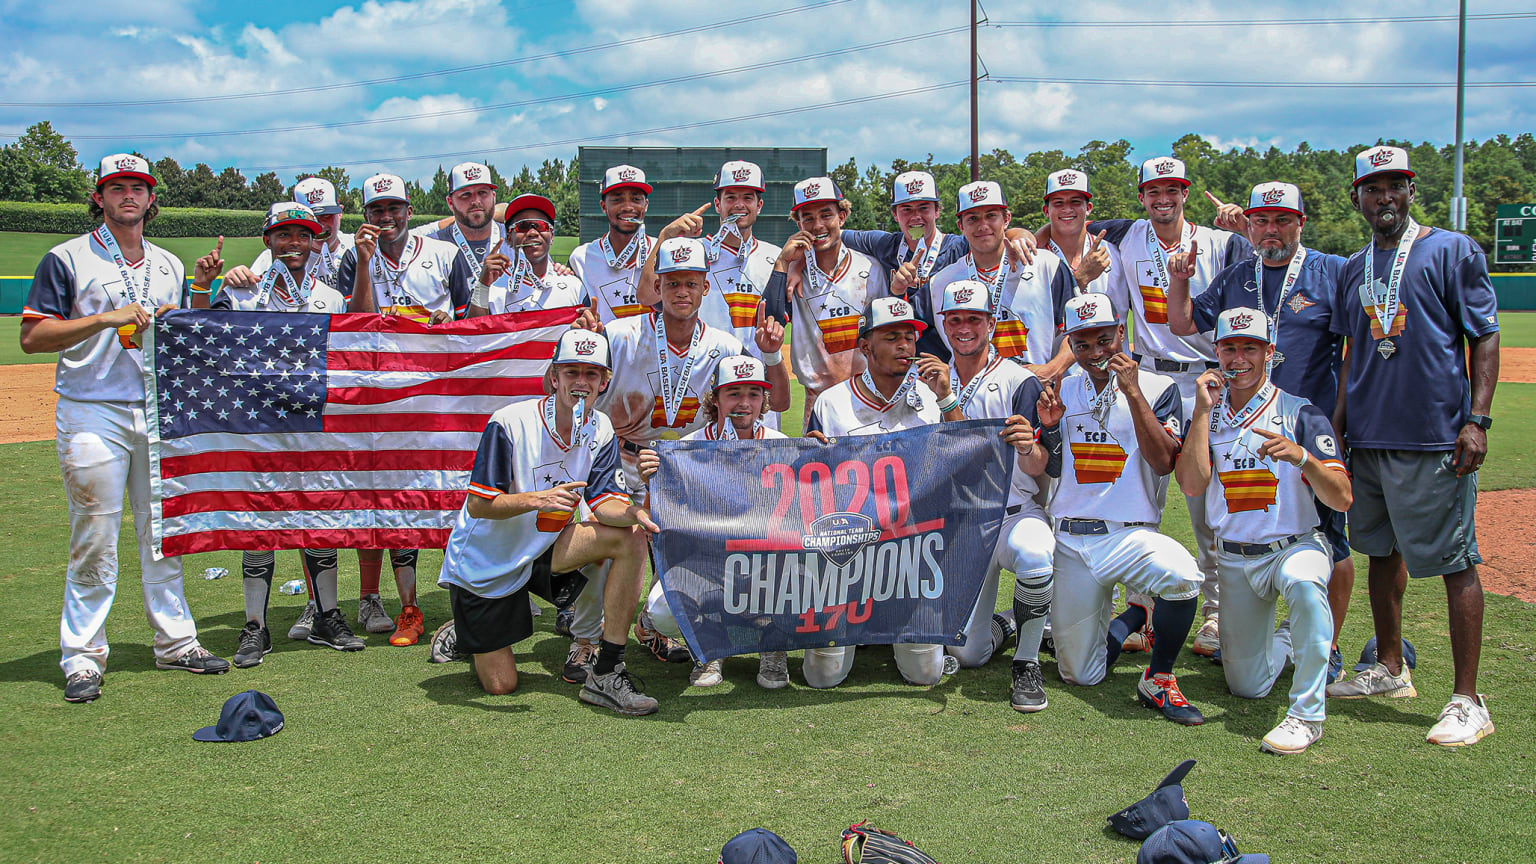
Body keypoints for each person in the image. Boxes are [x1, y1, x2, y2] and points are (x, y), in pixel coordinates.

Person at [21, 153, 230, 702]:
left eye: (137, 187)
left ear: (151, 198)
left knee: (164, 531)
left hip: (155, 410)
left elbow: (184, 334)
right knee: (95, 531)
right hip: (93, 407)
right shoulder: (65, 258)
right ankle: (83, 656)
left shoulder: (167, 263)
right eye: (117, 188)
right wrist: (104, 319)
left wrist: (202, 289)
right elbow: (34, 337)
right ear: (100, 197)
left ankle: (176, 641)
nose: (128, 196)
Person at [1324, 146, 1500, 747]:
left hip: (1435, 438)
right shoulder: (1354, 266)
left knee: (1454, 561)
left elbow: (1484, 337)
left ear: (1411, 190)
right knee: (1380, 554)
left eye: (1394, 186)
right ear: (1357, 197)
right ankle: (1390, 668)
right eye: (1372, 189)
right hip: (1370, 436)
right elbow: (1351, 356)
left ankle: (1468, 699)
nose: (1384, 198)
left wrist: (1477, 419)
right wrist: (1338, 433)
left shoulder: (1451, 250)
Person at [1059, 157, 1254, 657]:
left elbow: (1254, 279)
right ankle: (1142, 610)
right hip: (1144, 376)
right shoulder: (1127, 239)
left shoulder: (1218, 241)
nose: (1162, 199)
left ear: (1185, 192)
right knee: (1136, 499)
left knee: (1208, 504)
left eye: (1172, 189)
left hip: (1208, 378)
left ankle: (1214, 613)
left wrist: (1247, 228)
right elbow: (1065, 228)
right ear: (1141, 196)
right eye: (1152, 191)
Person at [1166, 182, 1355, 682]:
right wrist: (1179, 280)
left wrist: (1333, 423)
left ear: (1301, 222)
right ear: (1248, 224)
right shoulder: (1235, 275)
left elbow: (1353, 348)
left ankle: (1327, 646)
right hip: (1238, 417)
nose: (1271, 231)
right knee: (1242, 520)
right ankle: (1266, 635)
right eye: (1261, 221)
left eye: (1282, 220)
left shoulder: (1329, 271)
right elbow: (1184, 322)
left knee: (1330, 538)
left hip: (1304, 422)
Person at [435, 329, 663, 715]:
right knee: (501, 685)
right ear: (553, 377)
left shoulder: (601, 427)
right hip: (486, 560)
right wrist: (535, 498)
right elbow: (478, 505)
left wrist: (637, 508)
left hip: (543, 549)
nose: (581, 383)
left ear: (604, 382)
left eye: (591, 374)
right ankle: (467, 632)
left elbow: (604, 500)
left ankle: (607, 670)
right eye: (571, 372)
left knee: (629, 539)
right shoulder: (509, 422)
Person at [187, 203, 364, 665]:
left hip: (315, 428)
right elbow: (199, 336)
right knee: (259, 527)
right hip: (258, 430)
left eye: (302, 236)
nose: (293, 244)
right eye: (283, 236)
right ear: (268, 241)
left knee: (320, 525)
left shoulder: (329, 296)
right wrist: (205, 287)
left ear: (315, 242)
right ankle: (255, 627)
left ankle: (328, 617)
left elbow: (352, 354)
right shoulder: (244, 292)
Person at [1175, 308, 1351, 754]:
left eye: (1249, 348)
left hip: (1293, 546)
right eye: (1229, 348)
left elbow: (1342, 498)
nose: (1239, 358)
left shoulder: (1300, 413)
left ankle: (1307, 715)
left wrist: (1302, 459)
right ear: (1215, 352)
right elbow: (1192, 484)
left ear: (1269, 353)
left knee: (1306, 585)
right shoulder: (1207, 415)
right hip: (1235, 557)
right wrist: (1200, 412)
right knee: (1246, 686)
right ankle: (1290, 638)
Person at [1037, 292, 1206, 725]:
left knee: (1183, 575)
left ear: (1121, 332)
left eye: (1104, 339)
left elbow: (1164, 461)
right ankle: (1137, 614)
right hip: (1072, 537)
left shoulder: (1159, 387)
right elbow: (1053, 465)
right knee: (1080, 675)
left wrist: (1132, 393)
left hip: (1130, 532)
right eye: (1083, 343)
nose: (1096, 353)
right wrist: (1050, 429)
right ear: (1070, 344)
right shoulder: (1060, 388)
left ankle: (1160, 677)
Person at [340, 172, 475, 646]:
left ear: (409, 209)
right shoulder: (353, 254)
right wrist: (362, 263)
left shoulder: (443, 253)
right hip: (378, 395)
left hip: (434, 395)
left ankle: (468, 599)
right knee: (388, 495)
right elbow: (353, 322)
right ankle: (405, 606)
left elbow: (472, 319)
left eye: (394, 208)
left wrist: (447, 322)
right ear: (366, 215)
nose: (386, 218)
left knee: (441, 494)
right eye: (376, 210)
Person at [799, 297, 964, 687]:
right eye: (892, 337)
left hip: (910, 552)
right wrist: (807, 458)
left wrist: (948, 399)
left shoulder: (930, 398)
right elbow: (807, 484)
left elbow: (966, 457)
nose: (905, 346)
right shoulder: (832, 401)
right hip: (846, 551)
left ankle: (891, 626)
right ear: (865, 346)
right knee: (823, 676)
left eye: (910, 337)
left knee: (925, 675)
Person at [931, 279, 1058, 712]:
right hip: (961, 521)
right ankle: (1016, 621)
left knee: (1035, 553)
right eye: (956, 319)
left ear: (991, 322)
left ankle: (1026, 662)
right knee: (968, 654)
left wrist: (1028, 446)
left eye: (974, 319)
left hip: (1012, 514)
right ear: (944, 323)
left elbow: (1038, 465)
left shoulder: (1019, 379)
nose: (965, 327)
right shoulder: (930, 382)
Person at [635, 357, 792, 689]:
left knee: (812, 580)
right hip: (703, 562)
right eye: (733, 393)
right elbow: (654, 523)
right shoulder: (686, 449)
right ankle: (708, 644)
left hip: (766, 560)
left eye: (754, 393)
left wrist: (824, 456)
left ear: (764, 400)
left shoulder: (782, 444)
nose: (744, 403)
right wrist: (652, 480)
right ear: (715, 399)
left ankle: (773, 643)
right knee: (662, 611)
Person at [834, 170, 1040, 359]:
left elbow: (991, 236)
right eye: (906, 209)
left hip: (955, 365)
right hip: (910, 364)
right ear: (895, 214)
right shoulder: (884, 244)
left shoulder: (959, 246)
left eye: (924, 208)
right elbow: (832, 234)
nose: (916, 217)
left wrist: (1021, 234)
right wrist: (800, 262)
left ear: (937, 211)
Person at [762, 177, 889, 422]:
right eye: (808, 218)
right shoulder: (792, 274)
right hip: (818, 401)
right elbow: (770, 321)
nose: (818, 225)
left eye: (826, 215)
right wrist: (782, 263)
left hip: (868, 397)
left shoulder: (871, 268)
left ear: (842, 217)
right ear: (798, 223)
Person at [926, 180, 1076, 379]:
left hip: (1038, 391)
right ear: (960, 226)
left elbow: (1080, 328)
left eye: (991, 216)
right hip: (973, 398)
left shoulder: (1046, 265)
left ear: (1006, 219)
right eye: (972, 218)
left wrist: (1052, 369)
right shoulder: (941, 282)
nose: (983, 225)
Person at [470, 193, 587, 316]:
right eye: (523, 226)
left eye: (541, 226)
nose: (532, 232)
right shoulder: (492, 284)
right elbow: (472, 332)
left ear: (551, 236)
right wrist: (483, 285)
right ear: (509, 238)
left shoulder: (573, 285)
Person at [568, 164, 656, 325]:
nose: (628, 207)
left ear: (646, 205)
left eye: (636, 199)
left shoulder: (663, 250)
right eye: (617, 199)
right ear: (603, 206)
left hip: (658, 349)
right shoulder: (581, 257)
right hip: (605, 348)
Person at [1040, 168, 1123, 305]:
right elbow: (1038, 316)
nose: (1067, 209)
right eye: (1058, 203)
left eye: (1075, 202)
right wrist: (1081, 278)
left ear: (1089, 208)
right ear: (1046, 211)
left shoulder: (1115, 249)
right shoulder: (1034, 258)